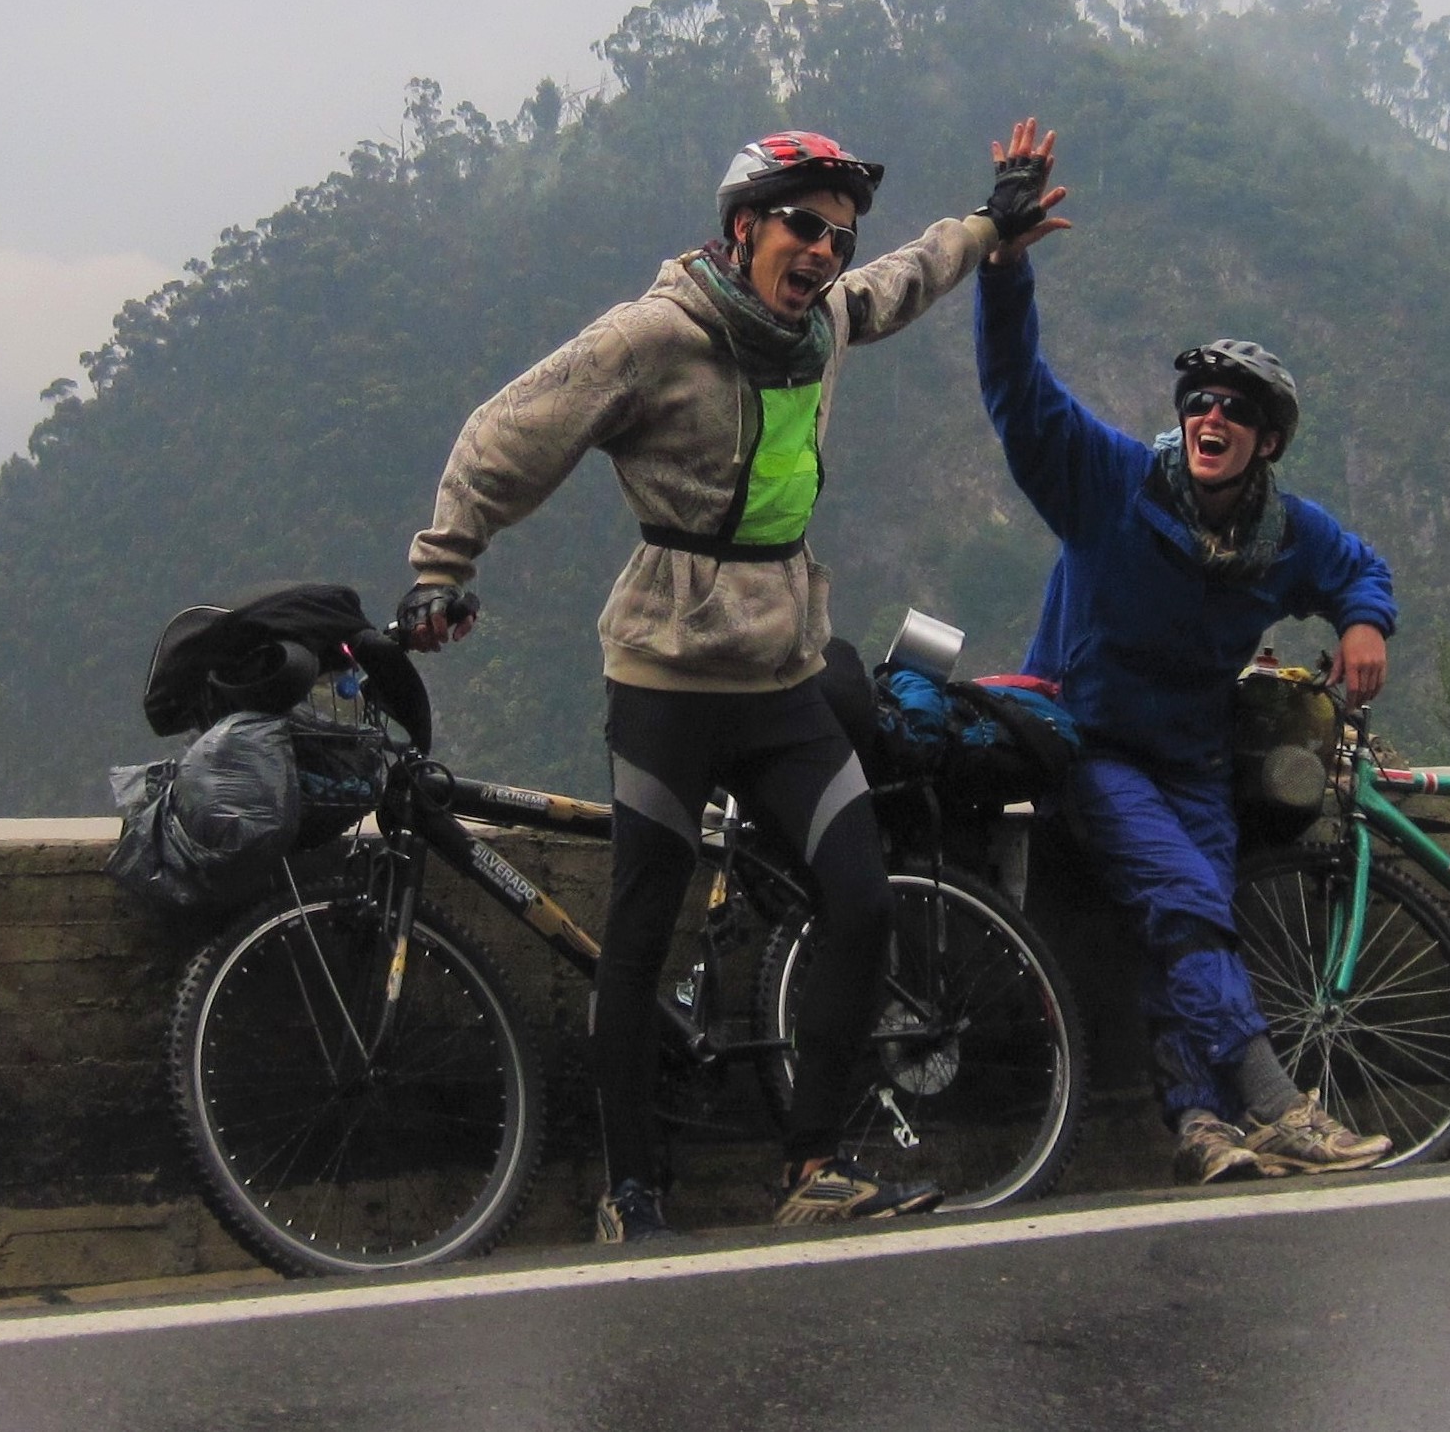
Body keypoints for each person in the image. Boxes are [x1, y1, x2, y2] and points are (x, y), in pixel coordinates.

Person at [401, 120, 1070, 1239]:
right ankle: (632, 1194)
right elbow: (508, 431)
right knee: (642, 931)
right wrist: (442, 563)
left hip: (783, 671)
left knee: (860, 898)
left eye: (836, 236)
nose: (823, 252)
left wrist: (988, 227)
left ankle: (814, 1167)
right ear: (744, 227)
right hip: (666, 675)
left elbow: (907, 278)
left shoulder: (828, 324)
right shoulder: (656, 336)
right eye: (802, 228)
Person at [973, 148, 1397, 1185]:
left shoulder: (1286, 534)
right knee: (1184, 904)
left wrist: (1363, 621)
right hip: (1091, 744)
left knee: (1191, 926)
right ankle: (1278, 1106)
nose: (1214, 418)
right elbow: (1022, 399)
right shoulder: (1114, 484)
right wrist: (1004, 264)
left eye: (1238, 411)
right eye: (1201, 400)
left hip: (1195, 761)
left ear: (1266, 442)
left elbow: (1357, 571)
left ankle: (1200, 1126)